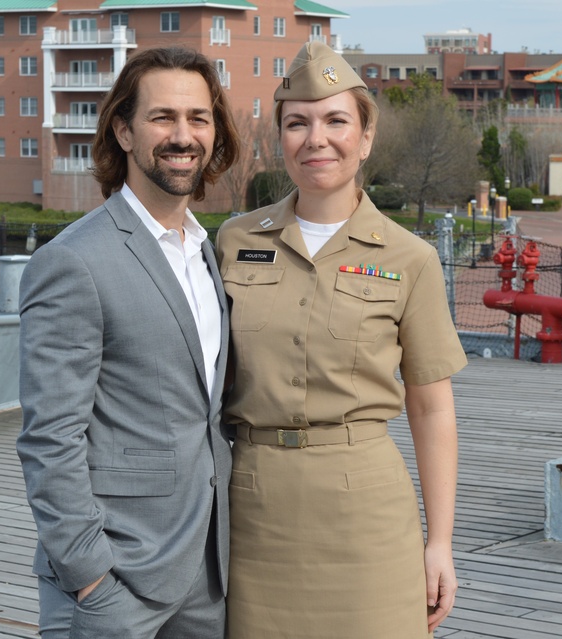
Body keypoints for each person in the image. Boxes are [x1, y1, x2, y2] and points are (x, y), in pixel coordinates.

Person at [216, 41, 467, 638]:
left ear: (366, 138)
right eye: (297, 123)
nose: (315, 138)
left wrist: (441, 544)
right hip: (253, 509)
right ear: (279, 138)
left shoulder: (412, 260)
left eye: (335, 120)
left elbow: (432, 409)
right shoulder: (231, 240)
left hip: (367, 517)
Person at [16, 46, 239, 639]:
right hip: (114, 581)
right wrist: (89, 575)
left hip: (206, 573)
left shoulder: (207, 252)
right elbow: (48, 436)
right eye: (162, 117)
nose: (182, 135)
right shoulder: (72, 261)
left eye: (199, 118)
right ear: (123, 129)